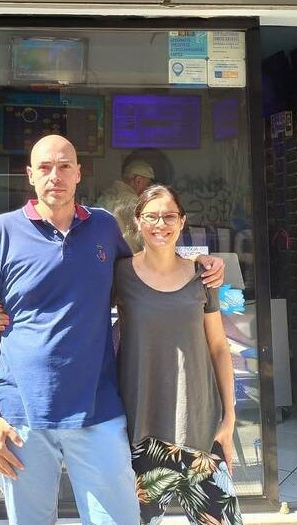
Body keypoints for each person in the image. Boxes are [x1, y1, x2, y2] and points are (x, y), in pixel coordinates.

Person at [0, 135, 225, 525]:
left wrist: (197, 263)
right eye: (45, 168)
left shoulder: (103, 226)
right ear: (30, 175)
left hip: (97, 410)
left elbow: (144, 272)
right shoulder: (2, 232)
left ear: (78, 173)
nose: (55, 176)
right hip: (21, 415)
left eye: (64, 166)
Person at [115, 184, 242, 525]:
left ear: (182, 221)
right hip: (141, 433)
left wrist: (229, 419)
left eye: (169, 216)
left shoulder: (203, 277)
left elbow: (219, 348)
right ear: (138, 221)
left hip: (201, 429)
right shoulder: (120, 274)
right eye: (151, 216)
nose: (161, 224)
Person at [97, 158, 155, 252]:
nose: (148, 189)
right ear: (138, 180)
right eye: (148, 185)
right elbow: (147, 241)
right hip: (126, 258)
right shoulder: (134, 203)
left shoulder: (106, 196)